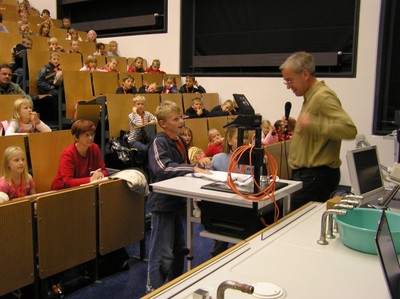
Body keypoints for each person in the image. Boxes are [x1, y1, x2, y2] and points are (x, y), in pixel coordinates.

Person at [280, 51, 357, 211]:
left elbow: (349, 129)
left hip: (316, 177)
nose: (288, 86)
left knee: (288, 221)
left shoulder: (322, 97)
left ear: (305, 74)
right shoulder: (310, 96)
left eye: (290, 80)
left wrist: (312, 124)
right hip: (308, 176)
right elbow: (315, 132)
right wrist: (297, 126)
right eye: (285, 82)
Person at [146, 100, 210, 292]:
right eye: (175, 119)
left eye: (181, 117)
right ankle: (154, 292)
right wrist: (193, 168)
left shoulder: (180, 140)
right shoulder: (158, 142)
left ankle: (174, 289)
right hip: (163, 204)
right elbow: (163, 168)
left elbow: (182, 166)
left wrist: (200, 163)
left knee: (179, 251)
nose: (181, 121)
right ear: (163, 123)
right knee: (162, 254)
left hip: (177, 202)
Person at [51, 119, 108, 190]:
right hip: (62, 191)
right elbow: (68, 181)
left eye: (92, 134)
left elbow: (104, 170)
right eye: (86, 135)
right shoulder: (68, 154)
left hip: (84, 189)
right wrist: (90, 179)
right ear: (76, 137)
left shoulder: (94, 148)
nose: (91, 138)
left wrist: (100, 174)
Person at [127, 95, 157, 164]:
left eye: (142, 104)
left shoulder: (147, 114)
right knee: (144, 148)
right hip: (134, 140)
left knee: (156, 142)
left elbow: (156, 120)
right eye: (138, 104)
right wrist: (135, 113)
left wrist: (153, 121)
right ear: (134, 105)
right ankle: (139, 163)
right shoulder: (131, 115)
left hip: (144, 138)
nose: (140, 106)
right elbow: (139, 124)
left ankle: (150, 163)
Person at [37, 51, 63, 120]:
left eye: (57, 59)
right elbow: (39, 82)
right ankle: (55, 114)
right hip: (45, 89)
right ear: (50, 60)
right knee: (56, 93)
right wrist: (49, 87)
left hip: (55, 87)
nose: (56, 61)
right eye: (54, 59)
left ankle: (62, 114)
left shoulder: (59, 70)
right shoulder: (45, 70)